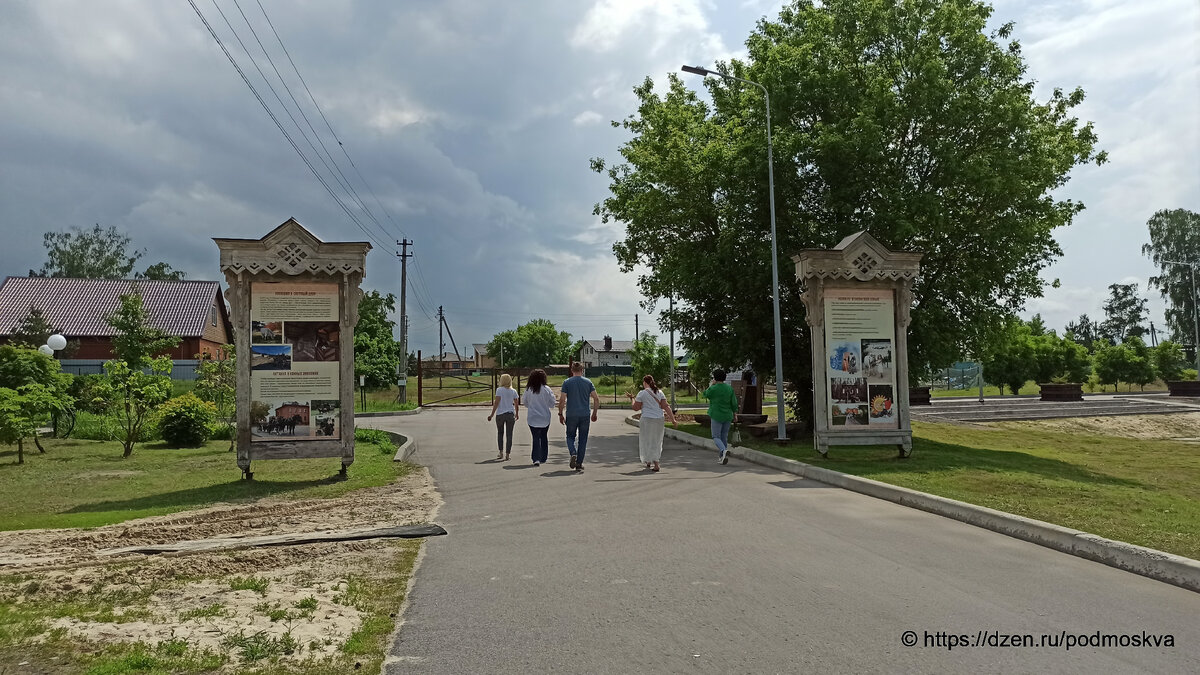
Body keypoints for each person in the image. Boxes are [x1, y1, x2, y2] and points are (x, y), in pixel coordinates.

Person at [626, 374, 676, 472]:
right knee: (657, 440)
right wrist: (673, 419)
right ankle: (651, 461)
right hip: (659, 419)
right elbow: (666, 407)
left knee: (646, 440)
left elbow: (636, 408)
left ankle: (654, 462)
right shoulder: (660, 392)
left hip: (647, 419)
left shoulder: (642, 393)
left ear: (645, 383)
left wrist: (632, 399)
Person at [557, 362, 600, 472]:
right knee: (583, 439)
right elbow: (596, 398)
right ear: (582, 370)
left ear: (572, 370)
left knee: (570, 436)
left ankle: (573, 452)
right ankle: (579, 463)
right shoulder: (588, 382)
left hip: (571, 414)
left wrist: (560, 414)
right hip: (585, 414)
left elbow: (562, 400)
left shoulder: (567, 382)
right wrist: (594, 413)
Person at [703, 369, 738, 465]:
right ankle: (721, 457)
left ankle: (723, 450)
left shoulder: (714, 388)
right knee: (724, 436)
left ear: (715, 378)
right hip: (728, 415)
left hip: (716, 414)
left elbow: (705, 394)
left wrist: (712, 385)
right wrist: (735, 414)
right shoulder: (729, 388)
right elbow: (734, 402)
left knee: (715, 436)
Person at [523, 369, 556, 467]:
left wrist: (531, 406)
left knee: (535, 437)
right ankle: (543, 457)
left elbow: (525, 402)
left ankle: (536, 458)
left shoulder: (529, 389)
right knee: (544, 436)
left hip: (532, 417)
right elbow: (552, 403)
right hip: (545, 417)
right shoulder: (546, 389)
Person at [487, 373, 520, 460]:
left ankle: (501, 452)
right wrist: (517, 413)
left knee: (500, 433)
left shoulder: (499, 390)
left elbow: (496, 403)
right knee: (509, 435)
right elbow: (516, 404)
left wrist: (492, 414)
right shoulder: (513, 391)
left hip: (500, 414)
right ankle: (507, 454)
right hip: (510, 414)